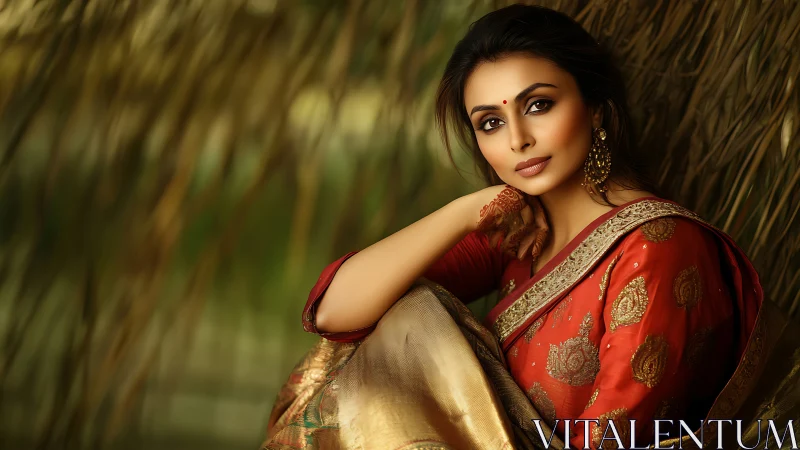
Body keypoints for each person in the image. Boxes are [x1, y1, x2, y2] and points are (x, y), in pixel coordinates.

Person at [264, 5, 796, 450]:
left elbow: (613, 438)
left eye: (538, 105)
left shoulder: (660, 247)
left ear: (595, 110)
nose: (517, 138)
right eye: (490, 123)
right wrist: (465, 213)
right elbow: (336, 313)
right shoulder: (517, 236)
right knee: (393, 324)